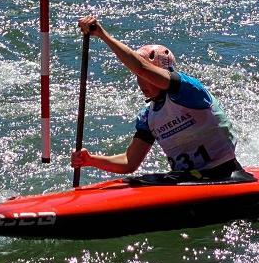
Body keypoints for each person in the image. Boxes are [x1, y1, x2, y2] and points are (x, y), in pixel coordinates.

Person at [69, 16, 244, 182]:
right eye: (137, 76)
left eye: (144, 76)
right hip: (187, 179)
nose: (139, 81)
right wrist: (90, 160)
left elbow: (141, 68)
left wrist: (102, 34)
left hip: (225, 174)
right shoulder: (148, 117)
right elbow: (129, 162)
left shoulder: (189, 90)